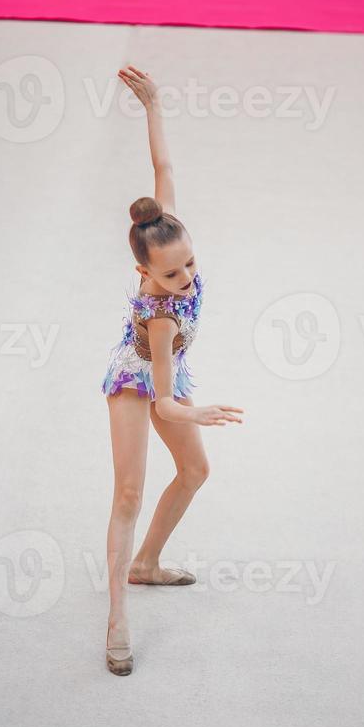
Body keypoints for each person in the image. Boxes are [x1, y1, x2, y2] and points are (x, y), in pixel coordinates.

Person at [101, 64, 244, 675]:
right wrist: (200, 411)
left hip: (170, 377)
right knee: (129, 490)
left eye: (189, 263)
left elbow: (164, 171)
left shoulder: (168, 233)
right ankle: (116, 621)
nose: (185, 277)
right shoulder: (160, 317)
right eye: (170, 274)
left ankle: (146, 565)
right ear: (144, 276)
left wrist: (154, 105)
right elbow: (161, 400)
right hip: (139, 380)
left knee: (193, 469)